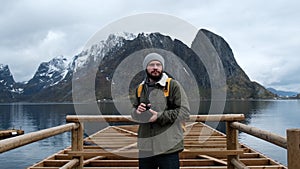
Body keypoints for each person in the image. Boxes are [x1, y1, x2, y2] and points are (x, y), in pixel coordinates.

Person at [131, 52, 190, 169]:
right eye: (151, 64)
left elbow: (184, 112)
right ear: (146, 68)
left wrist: (159, 116)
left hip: (168, 147)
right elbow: (133, 111)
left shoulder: (173, 86)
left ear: (162, 67)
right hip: (146, 147)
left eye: (158, 64)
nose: (155, 68)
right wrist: (137, 112)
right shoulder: (140, 89)